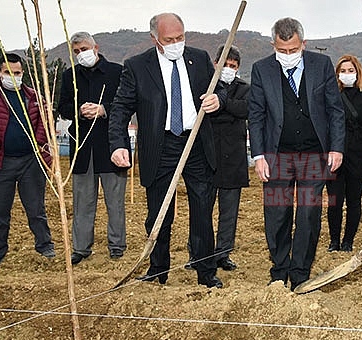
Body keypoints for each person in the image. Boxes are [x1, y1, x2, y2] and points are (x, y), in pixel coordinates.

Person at [108, 13, 224, 288]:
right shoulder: (137, 66)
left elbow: (220, 89)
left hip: (196, 143)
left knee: (202, 209)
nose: (176, 44)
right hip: (160, 147)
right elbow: (121, 108)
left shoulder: (200, 58)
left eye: (180, 38)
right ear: (155, 39)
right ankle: (158, 269)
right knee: (159, 213)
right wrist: (118, 144)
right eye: (169, 40)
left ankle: (205, 270)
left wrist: (218, 99)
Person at [248, 17, 345, 290]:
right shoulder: (261, 70)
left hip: (314, 156)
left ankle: (300, 272)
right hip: (277, 155)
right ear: (273, 45)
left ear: (303, 44)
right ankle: (279, 270)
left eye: (293, 50)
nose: (288, 56)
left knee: (308, 213)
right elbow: (256, 115)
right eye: (282, 50)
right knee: (277, 212)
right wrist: (258, 156)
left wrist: (336, 147)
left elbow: (334, 110)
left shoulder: (321, 65)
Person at [0, 53, 54, 270]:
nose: (13, 76)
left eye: (17, 73)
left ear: (23, 73)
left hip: (31, 161)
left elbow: (45, 120)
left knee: (36, 208)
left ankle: (44, 245)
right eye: (8, 73)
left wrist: (39, 142)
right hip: (1, 163)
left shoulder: (33, 96)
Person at [58, 31, 127, 265]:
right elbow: (63, 107)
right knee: (82, 202)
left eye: (84, 49)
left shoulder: (117, 72)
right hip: (82, 149)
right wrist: (78, 110)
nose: (81, 54)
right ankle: (80, 247)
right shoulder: (70, 77)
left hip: (111, 147)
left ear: (95, 48)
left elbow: (125, 104)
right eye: (76, 51)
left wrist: (102, 109)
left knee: (115, 202)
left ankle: (117, 245)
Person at [326, 54, 362, 252]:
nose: (346, 74)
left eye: (350, 70)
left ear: (357, 72)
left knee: (354, 200)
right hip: (335, 154)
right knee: (334, 200)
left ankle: (348, 241)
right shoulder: (330, 95)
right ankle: (333, 241)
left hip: (359, 154)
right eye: (343, 71)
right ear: (337, 74)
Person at [206, 45, 250, 271]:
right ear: (216, 63)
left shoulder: (244, 88)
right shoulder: (205, 84)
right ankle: (199, 253)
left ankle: (223, 253)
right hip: (208, 156)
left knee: (229, 211)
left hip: (234, 158)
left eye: (233, 66)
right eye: (225, 65)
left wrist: (223, 104)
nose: (228, 69)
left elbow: (246, 109)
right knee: (202, 209)